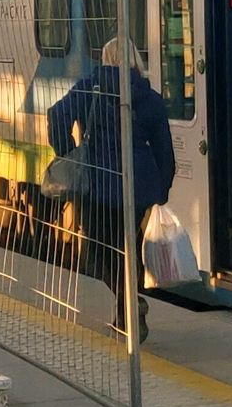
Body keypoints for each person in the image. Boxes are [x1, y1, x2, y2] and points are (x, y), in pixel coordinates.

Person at [46, 37, 174, 341]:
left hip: (99, 183)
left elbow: (57, 115)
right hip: (138, 187)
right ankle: (125, 315)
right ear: (134, 59)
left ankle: (131, 303)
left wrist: (69, 152)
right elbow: (164, 151)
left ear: (105, 58)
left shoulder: (91, 87)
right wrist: (162, 188)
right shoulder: (149, 95)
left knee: (97, 254)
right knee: (129, 251)